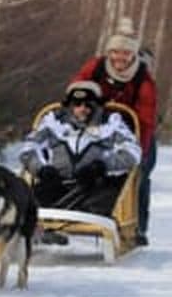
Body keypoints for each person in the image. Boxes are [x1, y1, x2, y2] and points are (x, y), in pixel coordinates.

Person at [70, 17, 158, 245]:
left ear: (133, 56)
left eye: (126, 54)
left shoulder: (143, 80)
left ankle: (137, 227)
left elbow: (147, 120)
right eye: (115, 53)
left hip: (135, 130)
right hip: (99, 126)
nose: (120, 58)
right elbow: (75, 90)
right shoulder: (96, 67)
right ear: (109, 53)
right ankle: (69, 211)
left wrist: (141, 150)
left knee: (140, 174)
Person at [20, 80, 141, 220]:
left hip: (95, 186)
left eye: (88, 105)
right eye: (77, 104)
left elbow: (132, 152)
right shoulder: (53, 122)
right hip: (57, 183)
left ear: (96, 105)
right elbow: (28, 149)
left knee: (108, 192)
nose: (82, 109)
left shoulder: (111, 124)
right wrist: (41, 169)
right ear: (69, 105)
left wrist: (102, 166)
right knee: (32, 196)